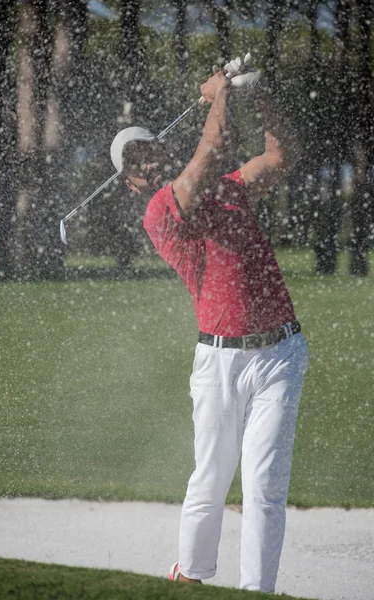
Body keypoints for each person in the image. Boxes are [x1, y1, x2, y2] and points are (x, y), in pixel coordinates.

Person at [110, 55, 309, 593]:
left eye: (148, 149)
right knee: (211, 479)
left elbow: (281, 155)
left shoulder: (228, 187)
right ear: (130, 185)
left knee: (265, 487)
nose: (147, 164)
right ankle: (192, 575)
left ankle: (257, 592)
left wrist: (260, 90)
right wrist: (221, 90)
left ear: (162, 147)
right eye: (135, 163)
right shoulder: (161, 211)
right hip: (220, 361)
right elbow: (211, 147)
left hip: (280, 357)